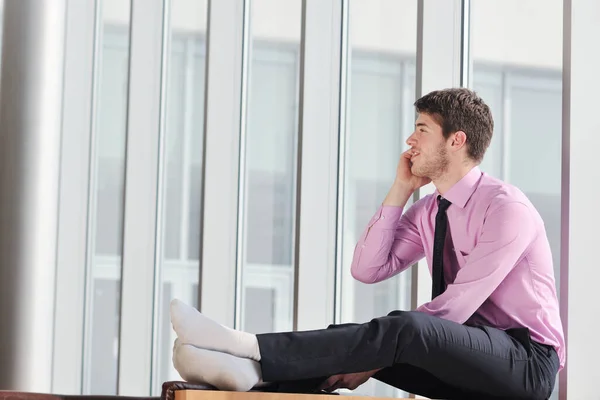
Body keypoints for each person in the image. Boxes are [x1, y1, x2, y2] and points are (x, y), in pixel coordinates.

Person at [170, 88, 564, 400]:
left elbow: (455, 307)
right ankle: (253, 377)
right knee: (354, 334)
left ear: (456, 140)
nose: (410, 139)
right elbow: (369, 269)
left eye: (423, 129)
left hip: (526, 363)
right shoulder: (430, 210)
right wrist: (401, 188)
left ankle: (247, 346)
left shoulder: (506, 209)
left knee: (401, 330)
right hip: (468, 358)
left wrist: (379, 352)